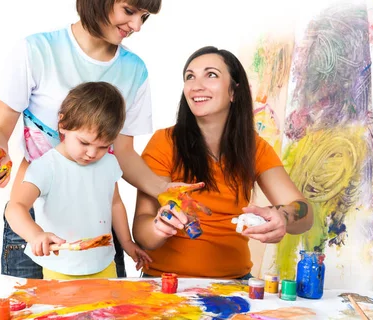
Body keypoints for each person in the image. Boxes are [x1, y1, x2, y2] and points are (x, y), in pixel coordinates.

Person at [0, 0, 187, 279]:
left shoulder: (134, 71)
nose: (137, 26)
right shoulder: (36, 51)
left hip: (96, 225)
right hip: (35, 223)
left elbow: (123, 153)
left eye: (144, 16)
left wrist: (164, 188)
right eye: (129, 11)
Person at [133, 46, 314, 279]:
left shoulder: (254, 148)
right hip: (167, 285)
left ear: (234, 92)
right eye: (190, 77)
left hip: (234, 285)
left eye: (211, 75)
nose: (196, 85)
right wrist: (159, 228)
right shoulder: (164, 142)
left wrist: (284, 216)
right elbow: (141, 230)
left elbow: (305, 215)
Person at [5, 82, 151, 279]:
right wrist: (35, 235)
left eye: (103, 146)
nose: (92, 153)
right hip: (62, 268)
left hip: (104, 264)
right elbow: (15, 207)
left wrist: (127, 243)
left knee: (108, 311)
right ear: (63, 124)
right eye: (84, 142)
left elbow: (115, 204)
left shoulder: (109, 162)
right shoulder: (46, 167)